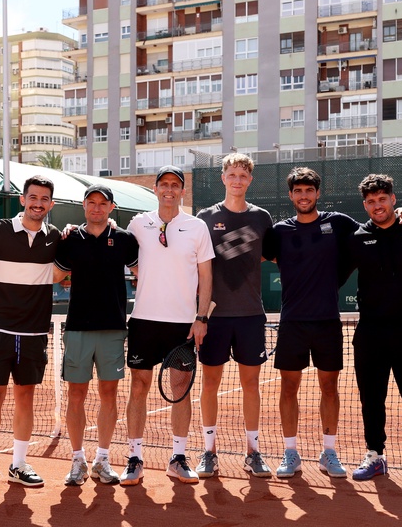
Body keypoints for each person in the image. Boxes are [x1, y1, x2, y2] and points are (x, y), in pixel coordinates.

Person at [121, 165, 214, 486]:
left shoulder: (198, 227)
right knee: (138, 389)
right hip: (144, 323)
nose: (170, 190)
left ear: (182, 191)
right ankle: (134, 458)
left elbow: (206, 276)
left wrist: (201, 318)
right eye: (164, 184)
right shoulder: (137, 224)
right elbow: (128, 259)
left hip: (183, 327)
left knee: (180, 391)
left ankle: (178, 457)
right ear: (156, 189)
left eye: (176, 185)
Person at [262, 167, 357, 479]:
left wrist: (401, 212)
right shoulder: (279, 232)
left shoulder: (339, 223)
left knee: (329, 387)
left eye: (309, 190)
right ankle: (291, 452)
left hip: (328, 321)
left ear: (318, 193)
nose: (304, 196)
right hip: (292, 323)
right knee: (289, 387)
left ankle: (329, 451)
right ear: (291, 195)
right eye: (298, 191)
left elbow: (375, 229)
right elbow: (254, 255)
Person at [346, 174, 402, 483]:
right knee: (371, 398)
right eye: (371, 201)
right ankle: (375, 455)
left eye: (382, 199)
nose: (377, 205)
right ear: (365, 205)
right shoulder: (357, 238)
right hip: (370, 332)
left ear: (393, 200)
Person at [0, 175, 63, 493]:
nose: (38, 203)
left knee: (26, 397)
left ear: (50, 205)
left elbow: (63, 271)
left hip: (34, 332)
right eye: (33, 197)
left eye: (44, 199)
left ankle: (19, 463)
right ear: (23, 199)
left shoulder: (55, 237)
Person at [193, 153, 274, 479]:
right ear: (223, 177)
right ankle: (209, 451)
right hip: (214, 317)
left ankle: (253, 451)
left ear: (249, 179)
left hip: (251, 315)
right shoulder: (205, 217)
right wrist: (199, 314)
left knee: (250, 384)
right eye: (232, 174)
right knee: (210, 383)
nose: (237, 180)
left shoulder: (261, 218)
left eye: (243, 175)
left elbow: (271, 255)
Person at [54, 185, 138, 487]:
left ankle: (102, 459)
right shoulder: (69, 239)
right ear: (83, 206)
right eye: (92, 203)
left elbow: (144, 271)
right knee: (76, 395)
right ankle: (78, 460)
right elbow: (53, 275)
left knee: (109, 395)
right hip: (77, 329)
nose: (97, 208)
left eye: (103, 203)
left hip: (114, 329)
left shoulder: (126, 239)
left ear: (112, 208)